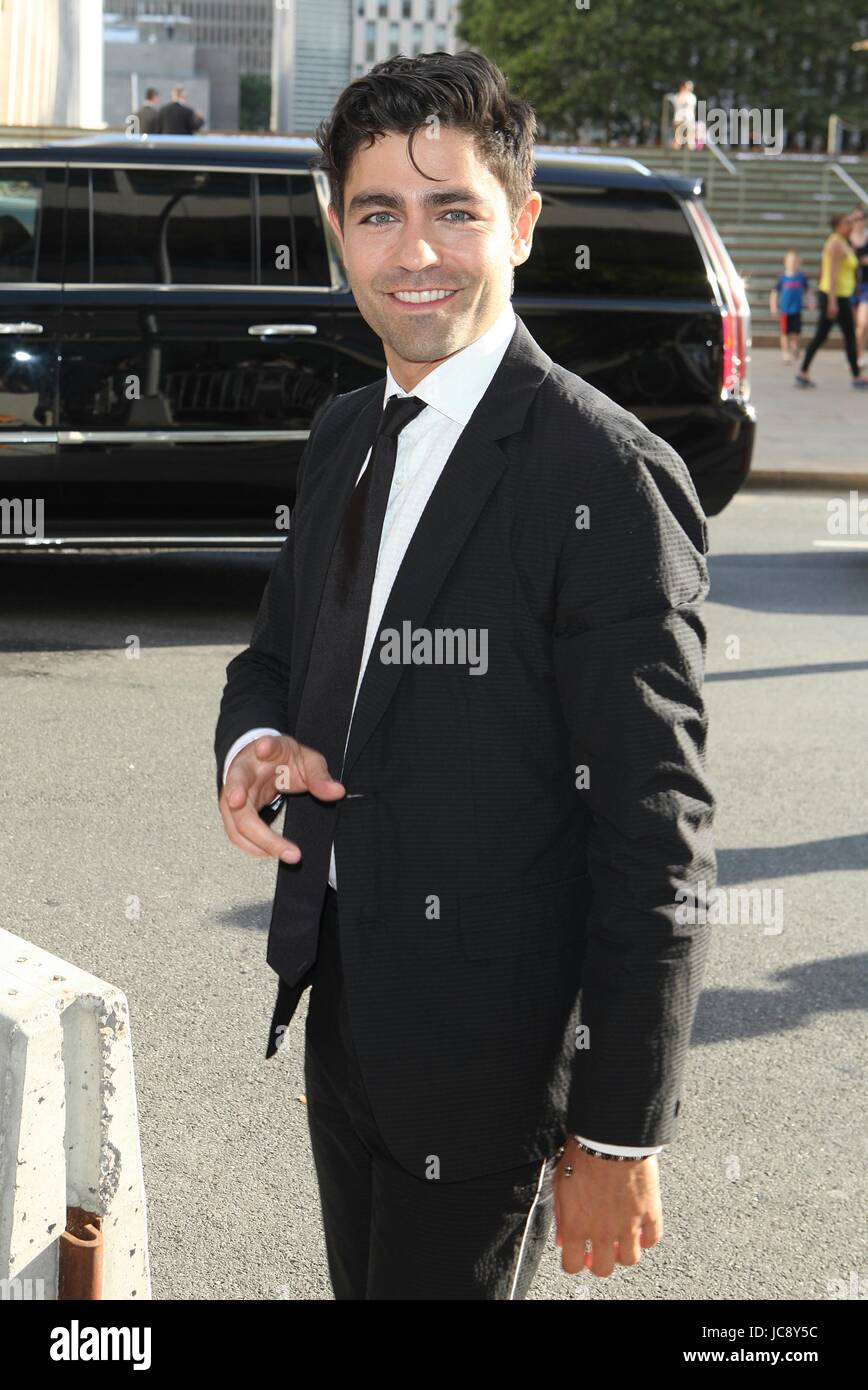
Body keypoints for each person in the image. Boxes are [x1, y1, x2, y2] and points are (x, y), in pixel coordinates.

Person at [214, 49, 716, 1301]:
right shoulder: (342, 433)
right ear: (337, 231)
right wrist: (255, 743)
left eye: (455, 211)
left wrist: (614, 1127)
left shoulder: (601, 476)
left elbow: (656, 828)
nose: (414, 252)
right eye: (379, 213)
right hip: (343, 1014)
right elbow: (275, 654)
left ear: (524, 225)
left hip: (492, 1065)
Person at [795, 212, 868, 388]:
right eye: (846, 224)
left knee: (822, 335)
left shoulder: (843, 242)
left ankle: (803, 371)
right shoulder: (836, 243)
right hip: (835, 296)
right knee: (848, 335)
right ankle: (856, 376)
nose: (850, 226)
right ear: (837, 227)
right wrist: (833, 302)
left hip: (840, 295)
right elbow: (832, 274)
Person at [769, 250, 813, 363]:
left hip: (796, 310)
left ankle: (795, 347)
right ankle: (785, 352)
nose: (792, 264)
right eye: (790, 261)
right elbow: (774, 293)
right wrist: (773, 307)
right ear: (785, 263)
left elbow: (808, 291)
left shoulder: (801, 277)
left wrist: (811, 302)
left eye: (795, 261)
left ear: (798, 263)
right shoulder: (782, 278)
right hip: (784, 310)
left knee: (796, 332)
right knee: (784, 333)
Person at [848, 206, 868, 368]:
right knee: (854, 325)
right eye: (854, 219)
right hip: (849, 285)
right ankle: (855, 352)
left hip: (865, 285)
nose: (857, 222)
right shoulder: (846, 239)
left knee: (863, 324)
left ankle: (859, 354)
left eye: (860, 218)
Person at [671, 79, 697, 149]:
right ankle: (674, 155)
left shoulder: (692, 96)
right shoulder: (678, 95)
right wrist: (683, 93)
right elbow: (679, 103)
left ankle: (690, 155)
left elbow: (692, 110)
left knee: (690, 139)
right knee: (678, 139)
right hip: (680, 120)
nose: (690, 88)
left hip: (689, 120)